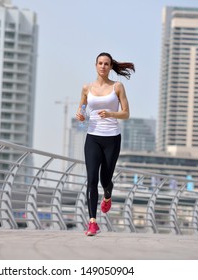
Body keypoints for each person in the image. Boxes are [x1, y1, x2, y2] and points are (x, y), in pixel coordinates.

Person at [76, 52, 134, 236]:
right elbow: (82, 106)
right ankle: (92, 223)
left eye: (106, 64)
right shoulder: (87, 87)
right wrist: (81, 114)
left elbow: (126, 113)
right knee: (92, 179)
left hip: (112, 138)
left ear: (110, 67)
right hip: (92, 137)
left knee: (104, 180)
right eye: (100, 63)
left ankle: (108, 194)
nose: (103, 66)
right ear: (95, 65)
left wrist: (111, 114)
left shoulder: (117, 87)